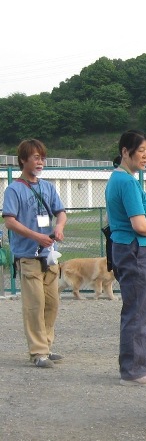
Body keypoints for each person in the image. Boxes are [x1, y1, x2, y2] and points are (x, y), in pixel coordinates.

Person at [105, 129, 146, 386]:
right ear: (125, 152)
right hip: (134, 249)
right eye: (141, 150)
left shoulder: (118, 179)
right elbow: (139, 224)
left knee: (136, 309)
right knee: (138, 311)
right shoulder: (127, 182)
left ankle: (136, 365)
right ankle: (133, 371)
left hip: (127, 247)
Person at [2, 139, 68, 368]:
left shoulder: (48, 187)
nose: (40, 161)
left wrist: (58, 227)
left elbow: (61, 213)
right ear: (23, 160)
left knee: (52, 303)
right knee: (34, 304)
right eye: (35, 157)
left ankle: (47, 346)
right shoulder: (14, 189)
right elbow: (9, 221)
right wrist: (36, 236)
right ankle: (38, 352)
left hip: (49, 256)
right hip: (28, 256)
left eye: (42, 157)